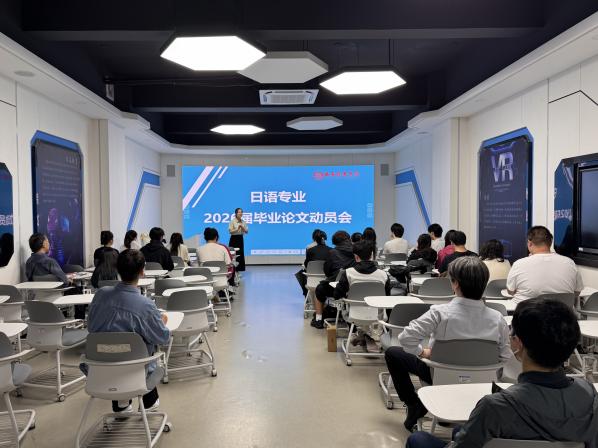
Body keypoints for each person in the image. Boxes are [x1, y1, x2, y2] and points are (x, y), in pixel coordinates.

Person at [406, 298, 598, 448]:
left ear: (518, 343)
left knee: (418, 439)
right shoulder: (590, 395)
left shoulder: (495, 407)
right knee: (460, 431)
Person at [385, 256, 511, 431]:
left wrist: (422, 352)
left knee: (393, 353)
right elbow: (505, 356)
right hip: (483, 381)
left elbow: (407, 337)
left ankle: (413, 403)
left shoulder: (439, 312)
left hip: (440, 374)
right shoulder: (497, 318)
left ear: (455, 284)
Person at [86, 250, 170, 413]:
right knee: (143, 347)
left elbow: (91, 327)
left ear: (117, 270)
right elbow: (162, 338)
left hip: (100, 371)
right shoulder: (145, 305)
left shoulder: (100, 295)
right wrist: (162, 322)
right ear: (142, 271)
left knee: (119, 345)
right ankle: (149, 402)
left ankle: (122, 404)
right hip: (135, 372)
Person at [507, 226, 582, 304]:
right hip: (562, 310)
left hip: (527, 310)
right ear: (550, 243)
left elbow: (510, 291)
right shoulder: (570, 263)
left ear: (530, 243)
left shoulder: (519, 264)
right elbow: (577, 292)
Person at [312, 230, 355, 329]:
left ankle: (318, 319)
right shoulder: (356, 251)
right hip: (354, 287)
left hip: (336, 288)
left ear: (335, 241)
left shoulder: (332, 252)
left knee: (319, 289)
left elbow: (327, 271)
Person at [296, 230, 332, 296]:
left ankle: (306, 293)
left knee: (301, 273)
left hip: (312, 279)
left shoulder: (310, 249)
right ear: (324, 239)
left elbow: (307, 264)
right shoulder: (331, 250)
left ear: (314, 239)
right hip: (327, 278)